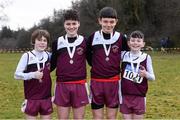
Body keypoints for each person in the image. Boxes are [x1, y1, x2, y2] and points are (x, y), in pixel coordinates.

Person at [86, 7, 129, 119]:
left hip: (113, 82)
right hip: (96, 82)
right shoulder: (92, 37)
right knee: (97, 117)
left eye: (111, 22)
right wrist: (96, 66)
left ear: (116, 22)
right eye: (105, 21)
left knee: (111, 117)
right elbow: (89, 57)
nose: (108, 25)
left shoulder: (121, 38)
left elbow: (126, 60)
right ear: (100, 21)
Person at [50, 9, 89, 119]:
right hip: (62, 85)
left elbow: (92, 62)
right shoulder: (57, 42)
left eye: (74, 23)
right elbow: (52, 65)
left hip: (79, 84)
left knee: (79, 118)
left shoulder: (85, 41)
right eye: (68, 24)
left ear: (78, 24)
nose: (71, 27)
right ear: (64, 24)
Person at [14, 29, 53, 120]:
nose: (42, 43)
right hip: (32, 98)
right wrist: (33, 75)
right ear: (33, 41)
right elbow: (16, 75)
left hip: (46, 97)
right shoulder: (27, 56)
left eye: (45, 40)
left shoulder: (49, 55)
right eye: (39, 40)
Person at [120, 30, 155, 120]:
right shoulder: (124, 55)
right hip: (125, 95)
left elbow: (152, 77)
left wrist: (145, 74)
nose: (135, 43)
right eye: (133, 40)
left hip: (139, 96)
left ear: (143, 44)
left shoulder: (146, 57)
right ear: (128, 43)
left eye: (138, 41)